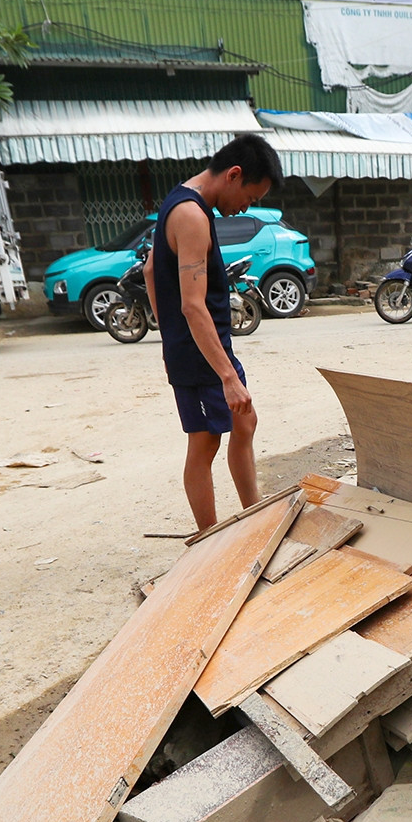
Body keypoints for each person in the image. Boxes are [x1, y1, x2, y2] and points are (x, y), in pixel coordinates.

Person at [145, 133, 283, 531]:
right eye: (250, 199)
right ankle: (209, 537)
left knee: (245, 421)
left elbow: (152, 270)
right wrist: (226, 376)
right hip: (199, 353)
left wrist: (169, 332)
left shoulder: (181, 199)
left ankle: (255, 514)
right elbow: (192, 304)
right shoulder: (191, 216)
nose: (245, 208)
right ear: (234, 175)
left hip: (200, 344)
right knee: (205, 442)